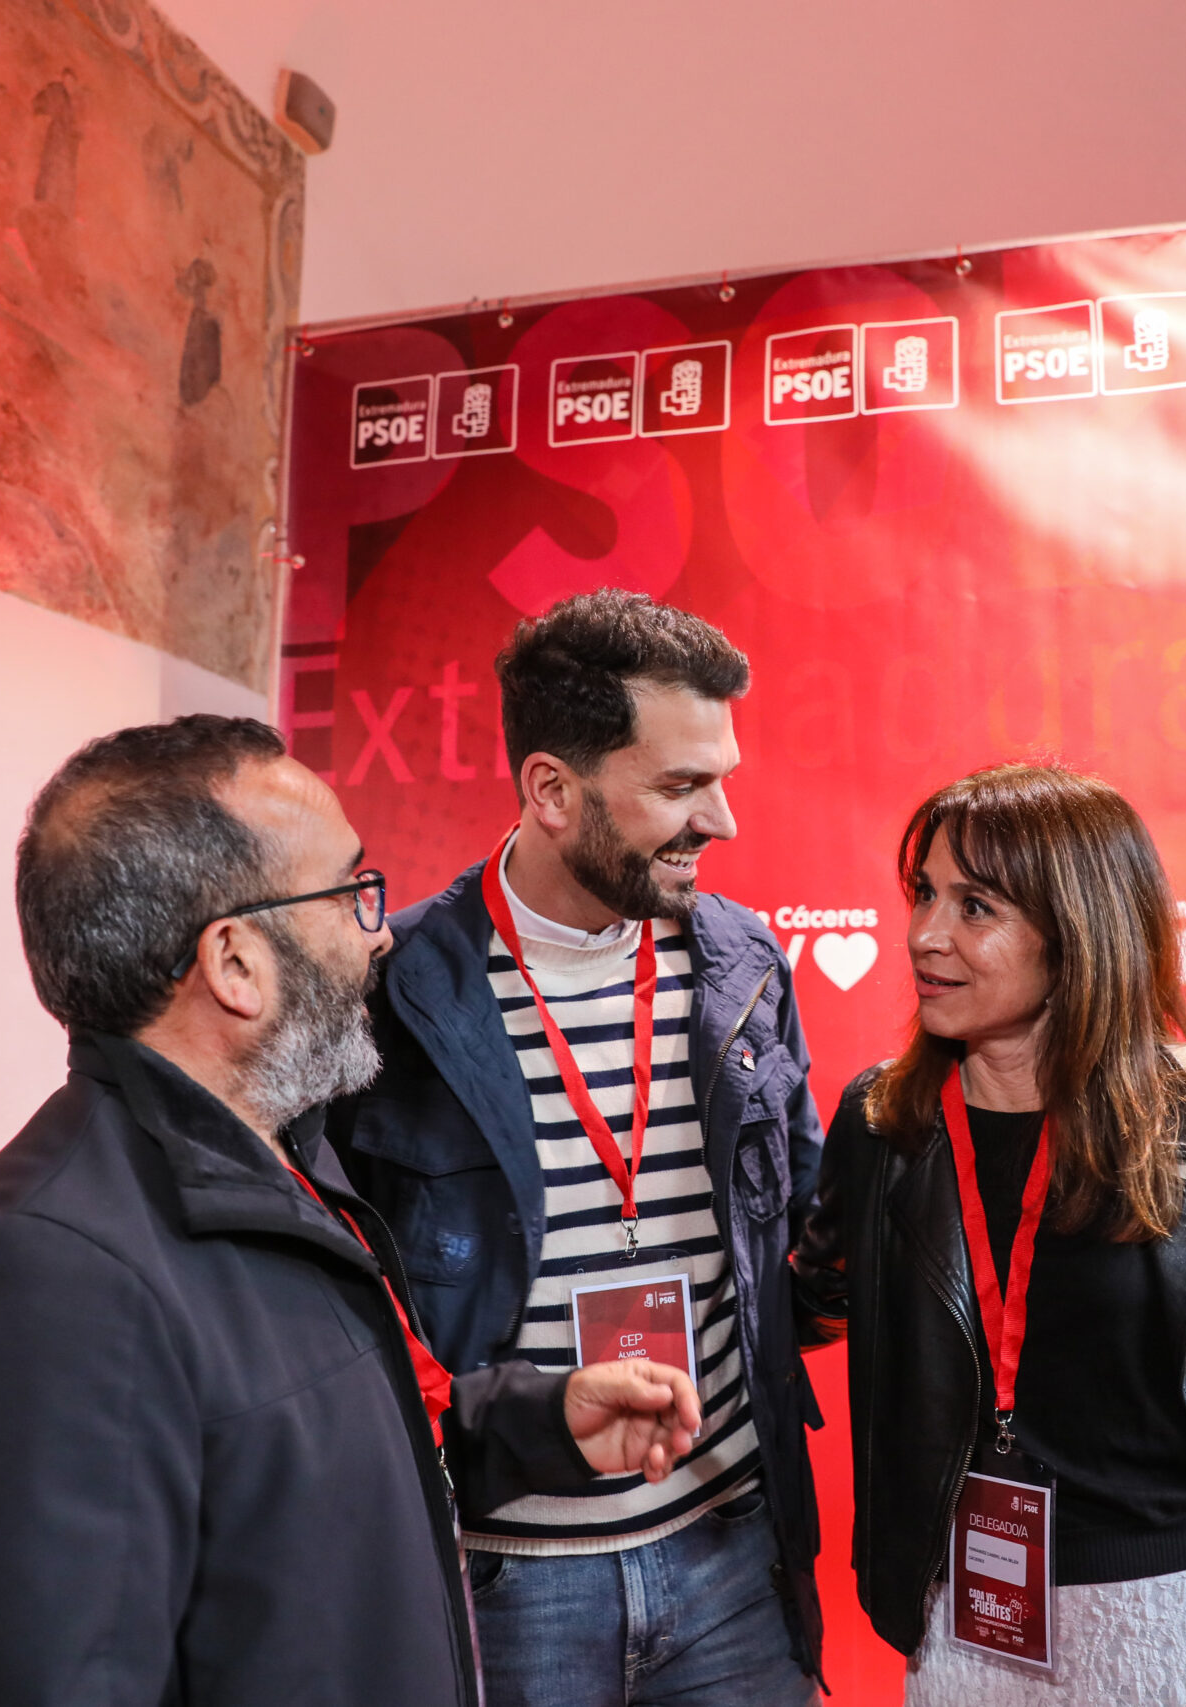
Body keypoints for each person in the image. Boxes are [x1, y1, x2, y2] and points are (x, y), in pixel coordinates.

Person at [0, 716, 704, 1707]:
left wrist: (536, 1422)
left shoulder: (285, 1165)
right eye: (348, 892)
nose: (380, 931)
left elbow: (297, 1459)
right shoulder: (31, 1287)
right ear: (235, 963)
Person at [792, 763, 1186, 1705]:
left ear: (1076, 930)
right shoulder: (885, 1124)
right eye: (923, 893)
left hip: (1185, 1631)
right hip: (964, 1631)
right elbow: (809, 1297)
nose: (925, 934)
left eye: (975, 906)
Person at [338, 594, 826, 1705]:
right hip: (507, 1581)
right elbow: (352, 1312)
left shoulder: (744, 965)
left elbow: (796, 1236)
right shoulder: (392, 992)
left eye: (722, 778)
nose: (722, 820)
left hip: (734, 1560)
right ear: (552, 790)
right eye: (680, 785)